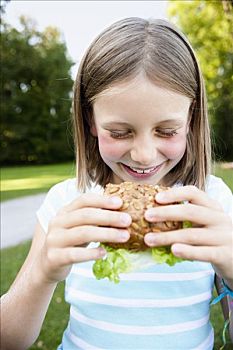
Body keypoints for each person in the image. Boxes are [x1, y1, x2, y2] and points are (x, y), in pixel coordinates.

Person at [1, 17, 233, 350]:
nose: (143, 154)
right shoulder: (67, 202)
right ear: (90, 121)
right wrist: (41, 273)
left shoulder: (213, 202)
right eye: (119, 132)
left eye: (167, 131)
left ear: (191, 118)